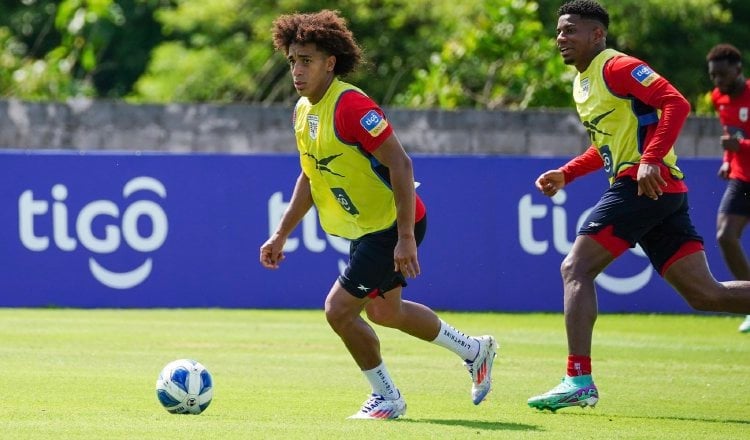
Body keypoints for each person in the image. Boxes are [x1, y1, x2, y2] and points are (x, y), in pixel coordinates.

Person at [260, 10, 497, 420]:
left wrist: (405, 237)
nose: (297, 70)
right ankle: (475, 350)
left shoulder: (351, 105)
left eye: (307, 61)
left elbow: (401, 164)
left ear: (330, 63)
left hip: (391, 223)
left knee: (338, 310)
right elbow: (311, 174)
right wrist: (281, 233)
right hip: (369, 226)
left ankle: (387, 397)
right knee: (386, 312)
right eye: (293, 61)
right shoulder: (303, 110)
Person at [528, 0, 750, 412]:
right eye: (559, 31)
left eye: (571, 30)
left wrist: (649, 159)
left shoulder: (617, 67)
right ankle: (578, 380)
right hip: (657, 190)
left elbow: (676, 103)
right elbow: (607, 147)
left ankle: (578, 379)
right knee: (706, 295)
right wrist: (568, 173)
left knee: (575, 267)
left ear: (597, 35)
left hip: (643, 185)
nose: (562, 38)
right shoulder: (583, 83)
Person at [706, 43, 750, 333]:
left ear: (738, 70)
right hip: (742, 178)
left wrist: (741, 146)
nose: (718, 81)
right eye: (713, 76)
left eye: (723, 75)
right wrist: (727, 158)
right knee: (725, 235)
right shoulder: (718, 98)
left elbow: (739, 139)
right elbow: (730, 134)